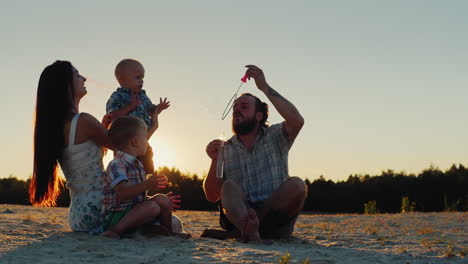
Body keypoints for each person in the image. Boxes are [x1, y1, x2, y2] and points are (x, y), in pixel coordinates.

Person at [203, 65, 306, 243]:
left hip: (276, 221)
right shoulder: (225, 149)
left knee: (297, 185)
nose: (237, 110)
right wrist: (214, 160)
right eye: (235, 107)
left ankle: (250, 230)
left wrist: (264, 87)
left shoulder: (275, 136)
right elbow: (212, 195)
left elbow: (297, 120)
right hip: (239, 217)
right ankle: (247, 229)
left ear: (259, 116)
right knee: (228, 187)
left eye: (244, 106)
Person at [30, 60, 112, 232]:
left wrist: (103, 128)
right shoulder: (83, 121)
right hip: (100, 209)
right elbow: (126, 146)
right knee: (166, 217)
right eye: (77, 74)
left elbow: (82, 155)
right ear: (65, 85)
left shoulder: (55, 128)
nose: (84, 78)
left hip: (78, 216)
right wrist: (150, 125)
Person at [101, 116, 190, 239]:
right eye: (145, 137)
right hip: (116, 216)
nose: (147, 142)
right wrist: (147, 184)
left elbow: (136, 197)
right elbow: (122, 194)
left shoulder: (137, 165)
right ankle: (115, 231)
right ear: (135, 141)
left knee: (162, 199)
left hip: (134, 211)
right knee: (152, 207)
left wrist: (153, 196)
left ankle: (168, 233)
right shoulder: (117, 164)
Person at [105, 59, 169, 174]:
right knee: (126, 170)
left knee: (146, 168)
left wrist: (158, 108)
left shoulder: (143, 97)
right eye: (138, 77)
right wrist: (130, 107)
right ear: (123, 79)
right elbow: (111, 115)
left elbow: (150, 110)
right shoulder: (117, 96)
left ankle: (145, 186)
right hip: (125, 142)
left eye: (142, 78)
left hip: (143, 138)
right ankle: (129, 187)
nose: (141, 81)